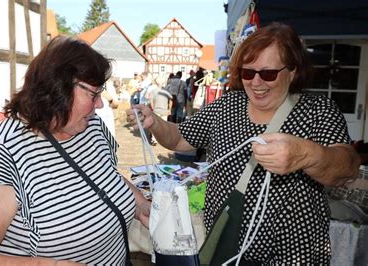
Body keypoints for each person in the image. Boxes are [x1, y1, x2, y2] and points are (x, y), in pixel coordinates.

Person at [126, 22, 360, 264]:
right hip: (226, 249)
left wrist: (306, 154)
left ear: (292, 71)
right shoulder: (227, 106)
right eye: (248, 72)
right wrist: (155, 122)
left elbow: (347, 167)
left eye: (268, 73)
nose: (256, 83)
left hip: (295, 255)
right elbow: (179, 138)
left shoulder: (317, 111)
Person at [0, 36, 150, 265]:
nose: (100, 104)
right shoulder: (1, 156)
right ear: (57, 89)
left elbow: (105, 176)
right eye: (93, 94)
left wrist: (139, 202)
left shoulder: (90, 125)